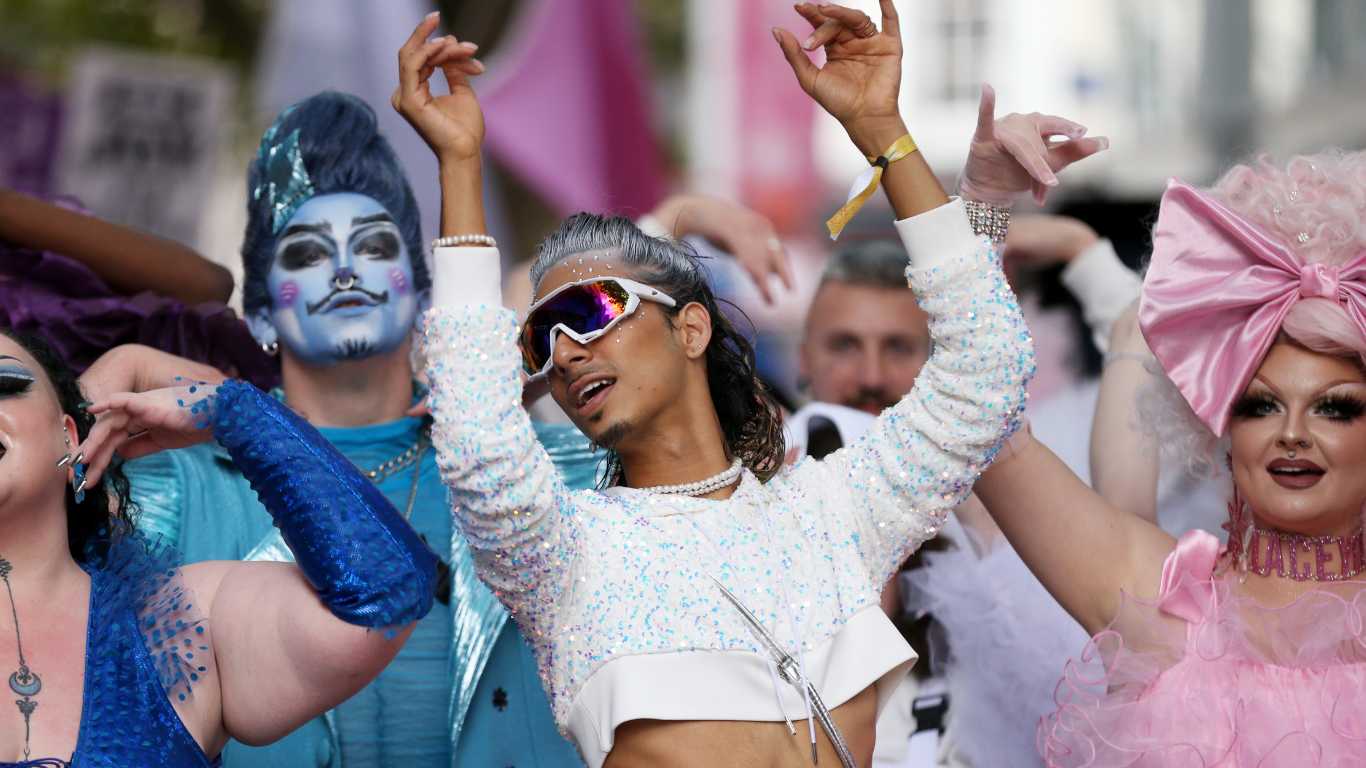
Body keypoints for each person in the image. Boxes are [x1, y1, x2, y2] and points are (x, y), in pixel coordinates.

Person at [393, 2, 1105, 762]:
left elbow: (986, 374)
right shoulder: (569, 557)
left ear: (690, 328)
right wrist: (461, 169)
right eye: (539, 338)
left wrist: (884, 138)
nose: (565, 352)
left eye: (592, 310)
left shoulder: (832, 515)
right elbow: (479, 446)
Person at [120, 91, 588, 767]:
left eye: (371, 247)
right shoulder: (170, 484)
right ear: (258, 316)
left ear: (422, 290)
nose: (344, 270)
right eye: (308, 256)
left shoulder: (557, 469)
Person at [976, 150, 1366, 766]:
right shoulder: (1158, 595)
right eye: (1260, 406)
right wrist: (983, 203)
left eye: (1336, 408)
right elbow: (982, 422)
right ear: (1219, 426)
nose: (1292, 433)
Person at [0, 329, 434, 766]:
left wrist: (235, 415)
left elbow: (386, 593)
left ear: (70, 438)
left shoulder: (180, 621)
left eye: (6, 386)